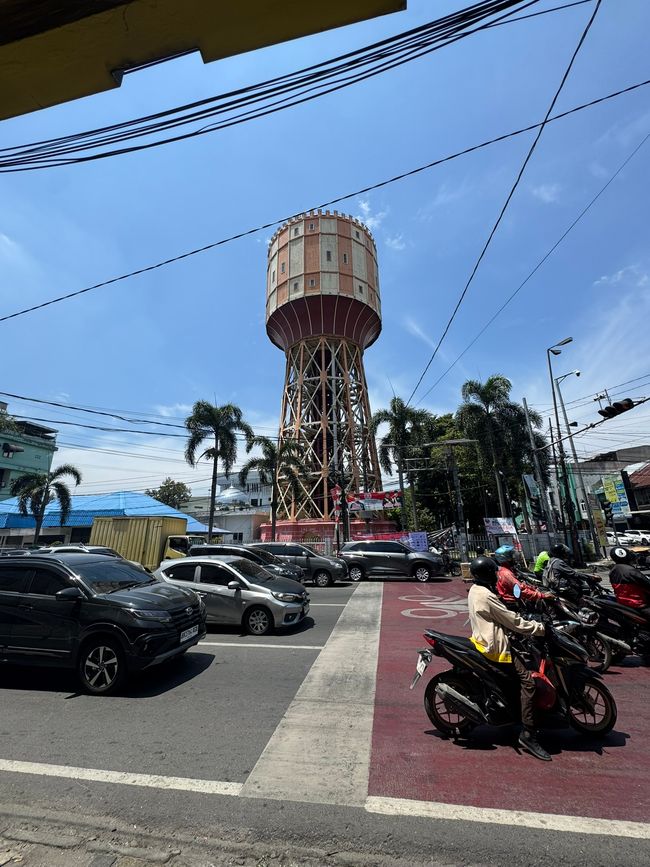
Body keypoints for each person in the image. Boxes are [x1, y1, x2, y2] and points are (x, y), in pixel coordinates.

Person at [467, 556, 550, 761]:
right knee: (529, 683)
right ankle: (528, 733)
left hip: (482, 639)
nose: (496, 575)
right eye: (493, 573)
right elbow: (512, 621)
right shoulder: (486, 595)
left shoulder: (476, 590)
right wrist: (538, 629)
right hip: (495, 647)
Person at [609, 547, 650, 614]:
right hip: (638, 605)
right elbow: (647, 584)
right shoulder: (630, 571)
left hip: (623, 603)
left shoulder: (613, 571)